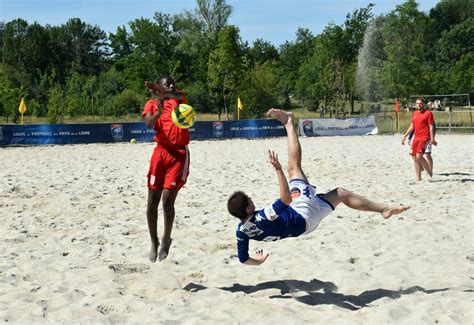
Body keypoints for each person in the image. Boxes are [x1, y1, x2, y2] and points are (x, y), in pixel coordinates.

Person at [227, 108, 410, 266]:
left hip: (306, 226)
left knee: (340, 193)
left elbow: (243, 259)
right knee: (293, 168)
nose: (252, 199)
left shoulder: (241, 231)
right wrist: (278, 170)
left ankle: (384, 210)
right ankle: (289, 123)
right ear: (249, 207)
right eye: (249, 199)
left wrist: (258, 261)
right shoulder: (262, 216)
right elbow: (285, 199)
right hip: (302, 212)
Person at [142, 76, 190, 262]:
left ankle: (166, 238)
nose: (172, 85)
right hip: (160, 153)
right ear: (159, 87)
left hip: (178, 155)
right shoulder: (152, 104)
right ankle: (153, 241)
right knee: (151, 201)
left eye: (172, 83)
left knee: (167, 201)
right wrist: (159, 111)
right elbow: (148, 123)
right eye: (167, 84)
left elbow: (179, 93)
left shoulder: (179, 100)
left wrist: (164, 92)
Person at [401, 98, 437, 181]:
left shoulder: (428, 113)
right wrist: (405, 136)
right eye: (417, 103)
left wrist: (432, 138)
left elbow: (432, 126)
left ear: (424, 104)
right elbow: (412, 126)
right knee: (414, 157)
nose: (418, 105)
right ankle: (418, 177)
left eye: (420, 103)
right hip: (416, 137)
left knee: (419, 156)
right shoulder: (415, 113)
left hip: (425, 137)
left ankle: (430, 174)